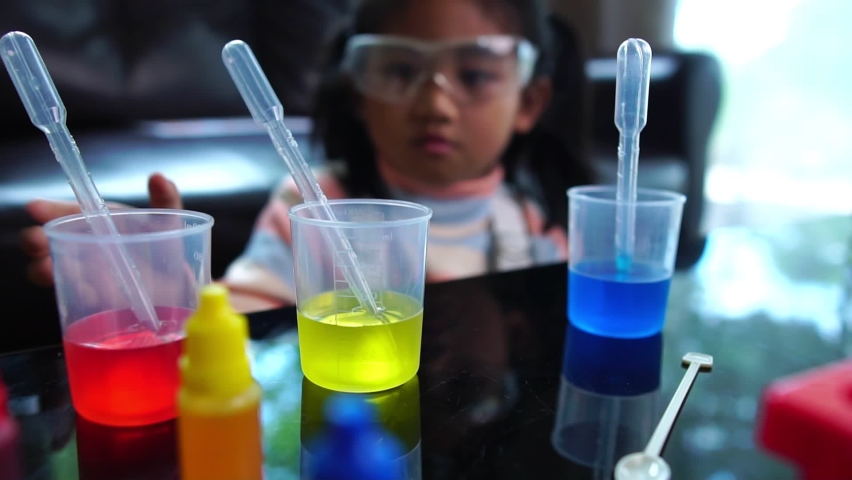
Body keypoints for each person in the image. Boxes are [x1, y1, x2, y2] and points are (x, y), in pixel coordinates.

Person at [20, 0, 593, 312]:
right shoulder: (312, 207)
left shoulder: (540, 221)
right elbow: (251, 321)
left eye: (473, 74)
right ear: (360, 93)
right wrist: (176, 295)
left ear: (530, 100)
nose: (435, 104)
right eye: (400, 70)